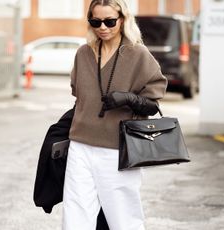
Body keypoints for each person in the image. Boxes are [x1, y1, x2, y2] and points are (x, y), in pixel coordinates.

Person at [63, 0, 167, 229]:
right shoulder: (83, 53)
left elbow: (152, 104)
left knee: (124, 218)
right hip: (80, 145)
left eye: (110, 21)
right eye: (95, 21)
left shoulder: (138, 54)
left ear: (122, 19)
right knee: (75, 214)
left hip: (118, 149)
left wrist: (129, 98)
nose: (103, 27)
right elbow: (79, 96)